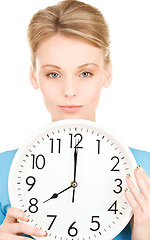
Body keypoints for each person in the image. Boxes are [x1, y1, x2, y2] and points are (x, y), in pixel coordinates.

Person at [0, 0, 150, 239]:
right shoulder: (4, 171)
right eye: (54, 74)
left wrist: (143, 231)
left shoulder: (145, 171)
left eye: (85, 73)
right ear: (34, 76)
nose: (69, 90)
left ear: (108, 73)